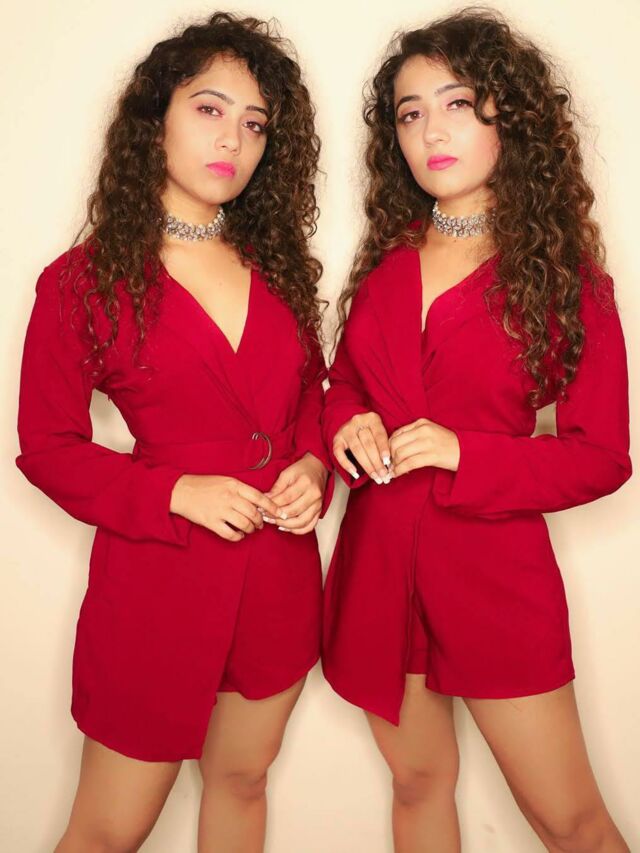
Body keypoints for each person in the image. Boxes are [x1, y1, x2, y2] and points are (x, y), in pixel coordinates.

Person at [16, 12, 333, 852]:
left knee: (243, 784)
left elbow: (311, 400)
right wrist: (172, 491)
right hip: (157, 587)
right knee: (108, 830)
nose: (233, 138)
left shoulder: (278, 269)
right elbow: (47, 447)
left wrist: (312, 465)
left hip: (278, 577)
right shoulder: (81, 282)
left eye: (255, 124)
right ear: (154, 118)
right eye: (209, 108)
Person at [321, 9, 631, 852]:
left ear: (511, 117)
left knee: (570, 821)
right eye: (410, 113)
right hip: (380, 563)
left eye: (457, 104)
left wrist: (467, 452)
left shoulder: (570, 282)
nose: (431, 131)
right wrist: (348, 421)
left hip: (494, 573)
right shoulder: (386, 263)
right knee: (417, 785)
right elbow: (345, 384)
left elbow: (603, 457)